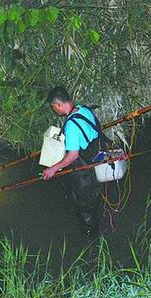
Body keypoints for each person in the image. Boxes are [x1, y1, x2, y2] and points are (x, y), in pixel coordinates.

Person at [42, 86, 103, 238]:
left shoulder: (71, 126)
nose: (54, 110)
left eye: (53, 107)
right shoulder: (84, 110)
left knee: (84, 206)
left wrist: (53, 169)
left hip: (83, 172)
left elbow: (73, 155)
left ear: (58, 105)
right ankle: (95, 225)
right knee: (92, 199)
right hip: (94, 161)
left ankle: (90, 239)